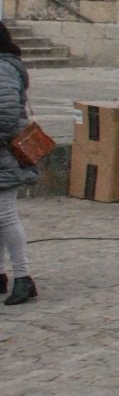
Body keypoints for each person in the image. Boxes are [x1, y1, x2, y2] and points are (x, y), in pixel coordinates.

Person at [0, 23, 37, 306]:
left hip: (3, 153)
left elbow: (7, 112)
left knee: (5, 216)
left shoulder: (2, 68)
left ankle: (24, 278)